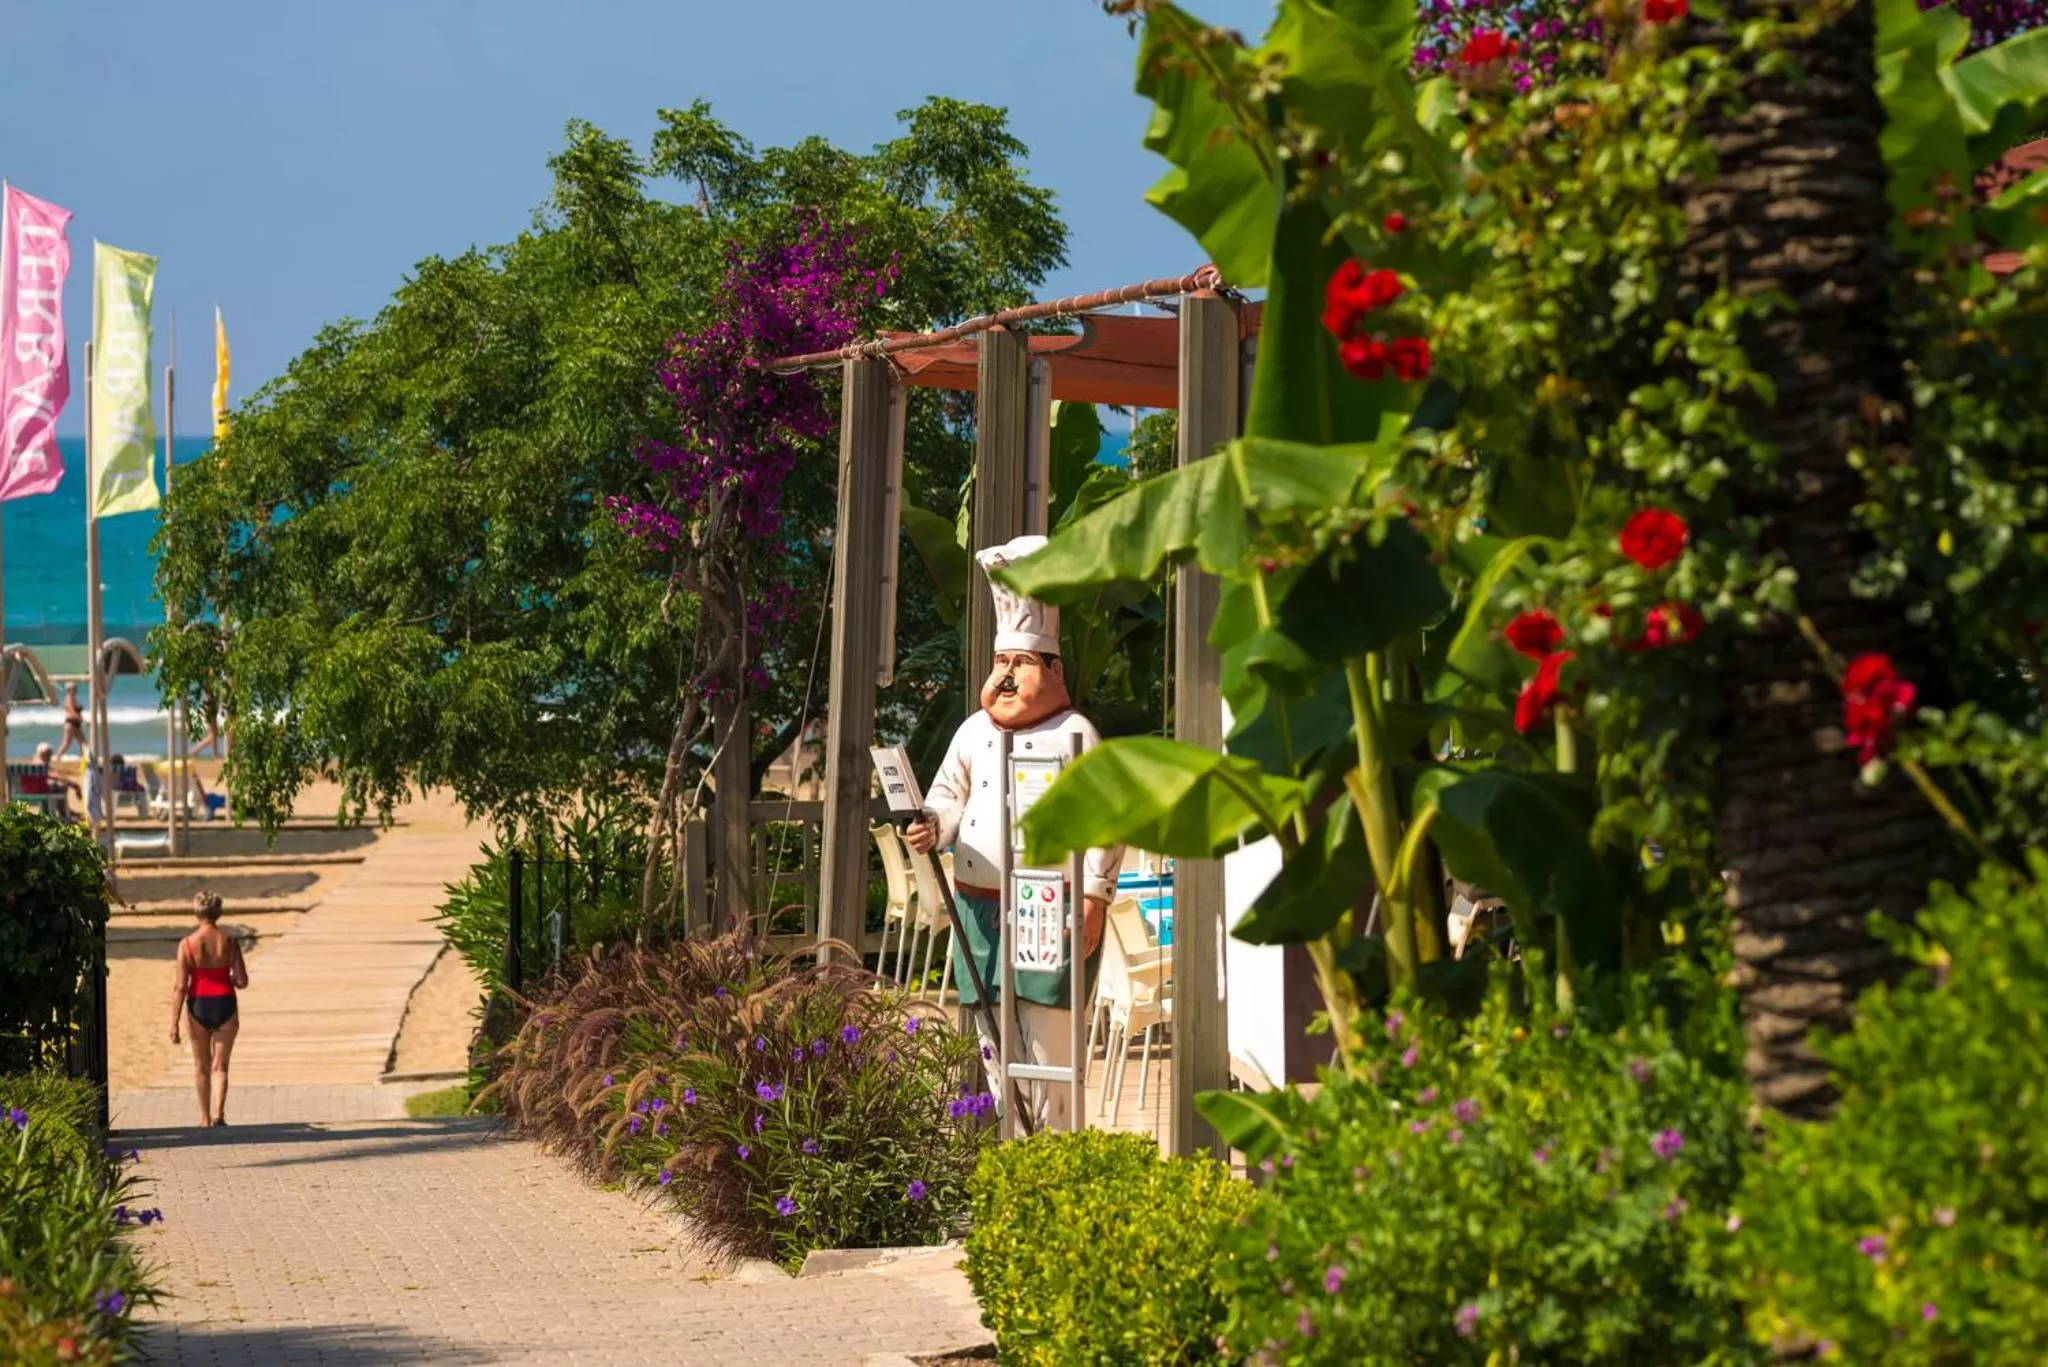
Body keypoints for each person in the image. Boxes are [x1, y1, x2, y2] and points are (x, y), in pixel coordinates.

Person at [906, 535, 1123, 1132]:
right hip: (977, 913)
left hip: (1045, 910)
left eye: (1019, 664)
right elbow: (947, 794)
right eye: (1000, 663)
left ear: (1052, 669)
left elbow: (1105, 821)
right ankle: (1014, 1155)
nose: (1004, 676)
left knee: (1049, 1048)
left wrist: (1094, 898)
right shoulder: (974, 730)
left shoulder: (1076, 734)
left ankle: (1054, 1160)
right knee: (994, 1047)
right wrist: (934, 826)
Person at [171, 892, 248, 1127]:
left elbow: (181, 986)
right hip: (225, 1002)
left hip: (198, 1004)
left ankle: (203, 1117)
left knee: (201, 1065)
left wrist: (173, 1022)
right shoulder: (230, 942)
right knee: (221, 1065)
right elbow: (242, 981)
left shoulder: (187, 944)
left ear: (196, 913)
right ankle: (219, 1114)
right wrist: (230, 977)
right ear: (219, 913)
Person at [53, 682, 84, 760]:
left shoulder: (73, 698)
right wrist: (82, 719)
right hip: (71, 723)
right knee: (67, 742)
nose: (77, 690)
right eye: (74, 688)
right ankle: (57, 757)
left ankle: (85, 758)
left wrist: (81, 718)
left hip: (76, 723)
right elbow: (71, 710)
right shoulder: (68, 698)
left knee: (83, 743)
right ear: (70, 690)